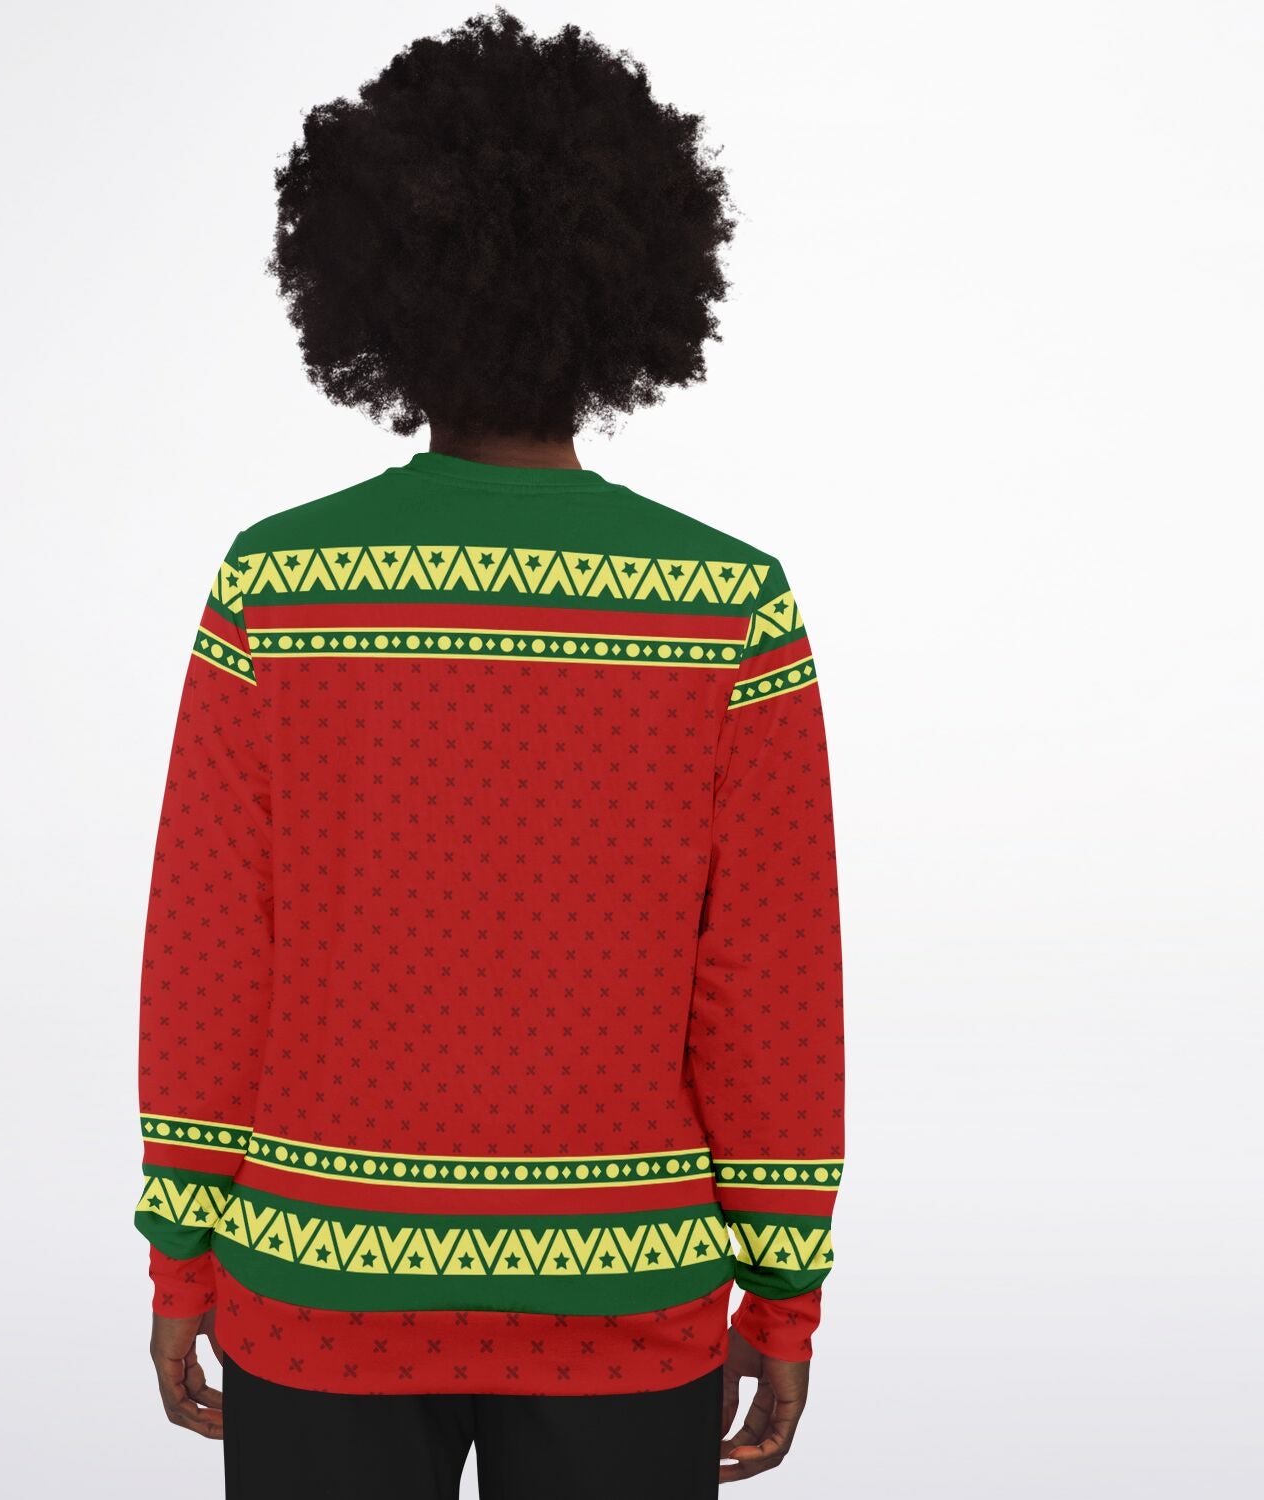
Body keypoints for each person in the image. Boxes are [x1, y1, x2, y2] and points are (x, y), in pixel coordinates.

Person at [133, 13, 844, 1496]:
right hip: (627, 1297)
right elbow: (769, 986)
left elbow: (210, 954)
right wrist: (785, 1295)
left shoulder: (280, 592)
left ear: (372, 289)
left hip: (319, 1288)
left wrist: (181, 1262)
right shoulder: (729, 608)